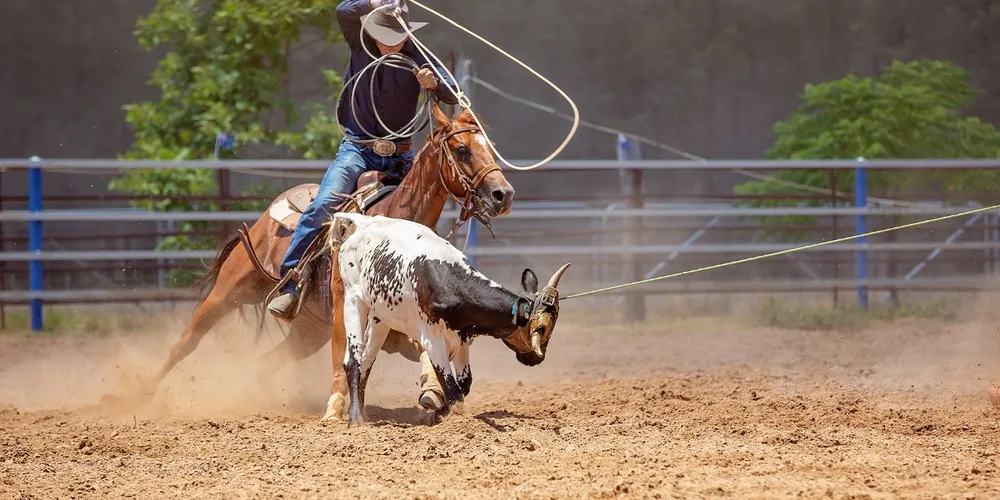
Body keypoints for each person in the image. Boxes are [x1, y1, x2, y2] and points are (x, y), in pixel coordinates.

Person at [267, 0, 459, 319]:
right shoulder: (361, 43)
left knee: (422, 219)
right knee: (323, 204)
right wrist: (374, 2)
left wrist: (435, 84)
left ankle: (429, 294)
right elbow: (344, 10)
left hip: (400, 154)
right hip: (357, 149)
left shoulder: (418, 56)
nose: (391, 43)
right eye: (385, 35)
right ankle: (292, 283)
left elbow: (454, 91)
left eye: (397, 35)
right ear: (374, 32)